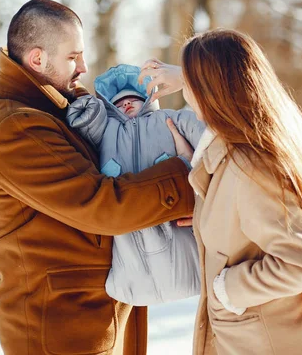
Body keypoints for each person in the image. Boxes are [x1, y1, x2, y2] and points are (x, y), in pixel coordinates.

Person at [0, 0, 196, 355]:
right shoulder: (16, 127)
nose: (84, 67)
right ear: (37, 59)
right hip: (61, 323)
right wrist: (186, 180)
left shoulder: (68, 109)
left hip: (95, 311)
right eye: (73, 57)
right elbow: (100, 203)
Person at [138, 29, 302, 355]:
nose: (185, 95)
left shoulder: (252, 167)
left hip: (264, 343)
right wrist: (210, 214)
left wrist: (227, 290)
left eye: (191, 84)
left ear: (211, 92)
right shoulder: (253, 141)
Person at [66, 64, 205, 306]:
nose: (127, 104)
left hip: (177, 230)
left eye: (133, 99)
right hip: (130, 248)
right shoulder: (106, 132)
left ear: (149, 99)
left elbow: (208, 138)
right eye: (119, 103)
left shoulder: (168, 119)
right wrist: (86, 109)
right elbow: (82, 125)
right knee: (129, 244)